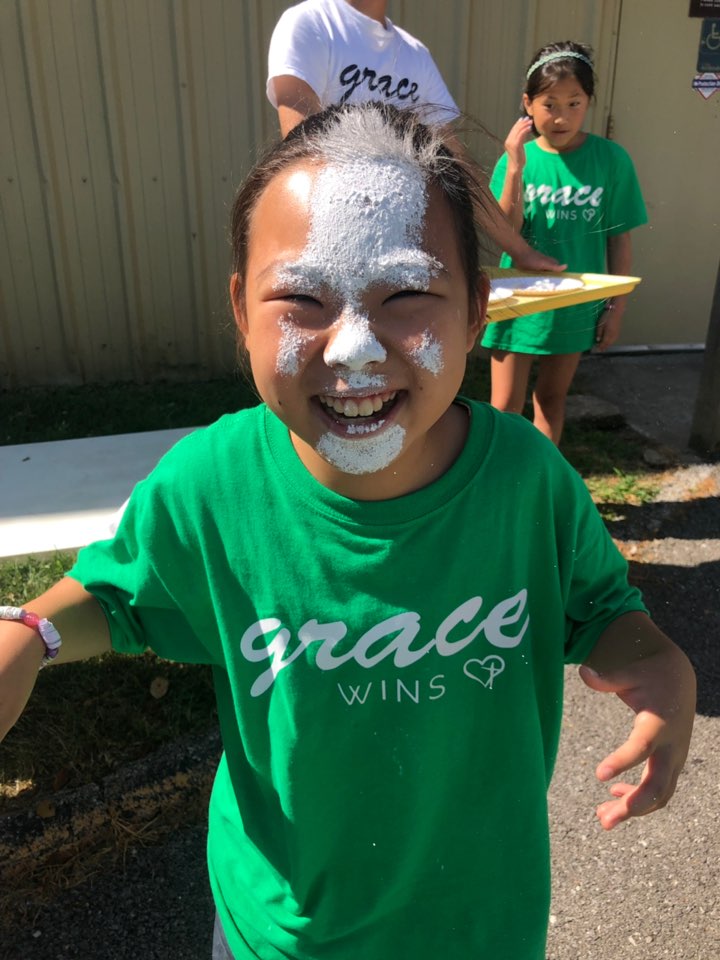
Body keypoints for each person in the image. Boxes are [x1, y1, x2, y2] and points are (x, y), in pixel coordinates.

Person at [0, 104, 694, 960]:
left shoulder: (527, 480)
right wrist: (28, 635)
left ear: (478, 309)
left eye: (406, 296)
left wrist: (658, 659)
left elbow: (600, 610)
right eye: (301, 299)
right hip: (277, 934)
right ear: (240, 309)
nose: (354, 349)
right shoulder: (211, 482)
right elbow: (113, 596)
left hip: (481, 927)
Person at [267, 0, 565, 274]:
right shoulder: (310, 23)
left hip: (407, 252)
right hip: (333, 248)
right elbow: (303, 149)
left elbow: (456, 162)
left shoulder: (415, 53)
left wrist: (520, 251)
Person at [481, 41, 648, 444]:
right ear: (528, 103)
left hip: (575, 301)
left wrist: (616, 308)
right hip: (517, 299)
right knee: (504, 407)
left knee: (551, 401)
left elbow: (619, 240)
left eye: (574, 103)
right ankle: (501, 477)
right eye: (549, 104)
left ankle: (543, 477)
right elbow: (505, 228)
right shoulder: (517, 158)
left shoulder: (611, 160)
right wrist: (515, 166)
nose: (561, 117)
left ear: (589, 102)